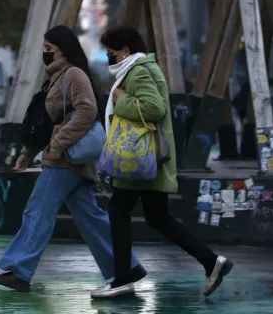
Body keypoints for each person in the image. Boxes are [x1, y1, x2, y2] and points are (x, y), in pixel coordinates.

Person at [0, 25, 146, 292]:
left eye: (49, 49)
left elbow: (87, 111)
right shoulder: (56, 77)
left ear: (64, 50)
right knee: (91, 217)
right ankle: (126, 266)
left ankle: (18, 270)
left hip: (65, 159)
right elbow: (48, 121)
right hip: (71, 159)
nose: (44, 53)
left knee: (38, 211)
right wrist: (29, 150)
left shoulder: (73, 74)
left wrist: (59, 144)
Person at [91, 26, 234, 299]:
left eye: (111, 53)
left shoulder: (139, 71)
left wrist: (121, 101)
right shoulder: (135, 69)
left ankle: (124, 278)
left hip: (140, 158)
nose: (109, 57)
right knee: (157, 217)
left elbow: (154, 108)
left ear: (125, 51)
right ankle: (211, 261)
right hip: (146, 160)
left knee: (119, 211)